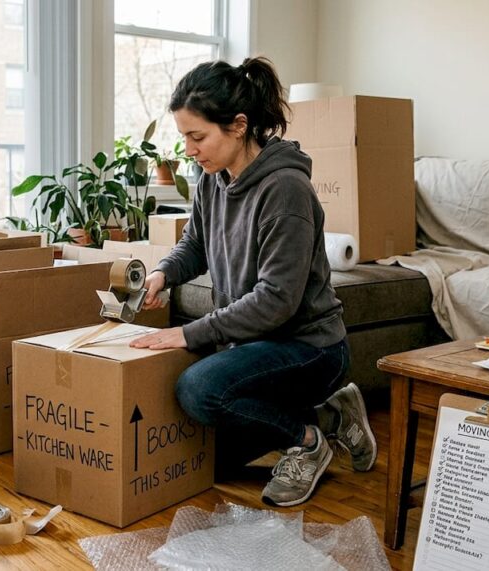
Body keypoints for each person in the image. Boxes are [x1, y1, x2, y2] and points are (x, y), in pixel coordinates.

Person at [129, 57, 377, 507]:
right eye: (184, 137)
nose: (188, 149)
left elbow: (276, 300)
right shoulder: (210, 178)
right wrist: (163, 273)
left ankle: (308, 441)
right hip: (253, 344)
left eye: (197, 136)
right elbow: (195, 244)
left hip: (310, 348)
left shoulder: (285, 190)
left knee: (197, 390)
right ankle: (332, 416)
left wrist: (188, 333)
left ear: (239, 126)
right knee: (212, 462)